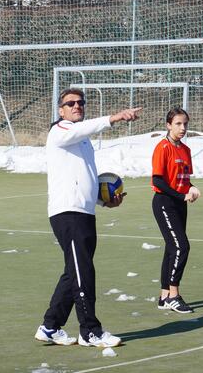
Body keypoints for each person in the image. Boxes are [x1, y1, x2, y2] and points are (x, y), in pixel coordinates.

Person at [35, 88, 142, 348]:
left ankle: (50, 326)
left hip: (84, 212)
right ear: (60, 110)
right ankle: (90, 331)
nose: (76, 106)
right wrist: (114, 118)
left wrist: (103, 201)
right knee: (83, 271)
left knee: (74, 272)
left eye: (80, 103)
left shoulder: (82, 140)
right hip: (67, 213)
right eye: (70, 103)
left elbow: (84, 177)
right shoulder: (60, 131)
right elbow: (87, 128)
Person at [151, 107, 200, 314]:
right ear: (168, 125)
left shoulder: (186, 150)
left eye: (185, 124)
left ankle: (164, 296)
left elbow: (184, 179)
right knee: (182, 247)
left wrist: (192, 188)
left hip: (179, 203)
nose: (182, 128)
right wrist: (181, 195)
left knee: (172, 248)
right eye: (178, 124)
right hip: (164, 202)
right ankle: (173, 295)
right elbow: (158, 180)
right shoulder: (162, 147)